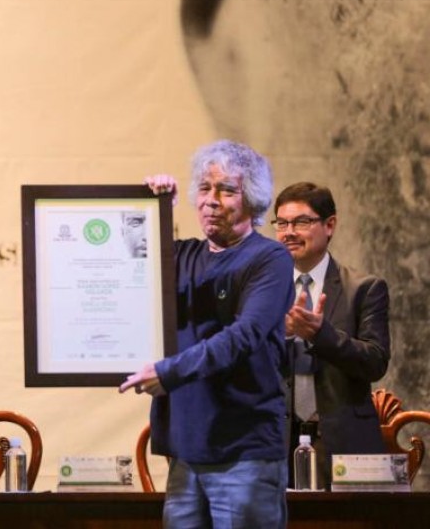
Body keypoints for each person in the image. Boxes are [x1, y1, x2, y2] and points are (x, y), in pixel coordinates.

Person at [119, 140, 294, 528]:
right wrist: (156, 207)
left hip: (244, 453)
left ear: (252, 200)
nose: (211, 200)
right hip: (185, 451)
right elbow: (120, 265)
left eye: (226, 190)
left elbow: (243, 335)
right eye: (204, 188)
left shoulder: (269, 258)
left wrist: (168, 372)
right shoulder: (182, 256)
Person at [273, 182, 389, 489]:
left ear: (330, 225)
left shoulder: (364, 288)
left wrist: (320, 334)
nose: (289, 232)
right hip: (274, 441)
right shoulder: (265, 291)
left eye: (301, 222)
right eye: (282, 223)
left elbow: (375, 361)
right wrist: (281, 336)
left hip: (343, 442)